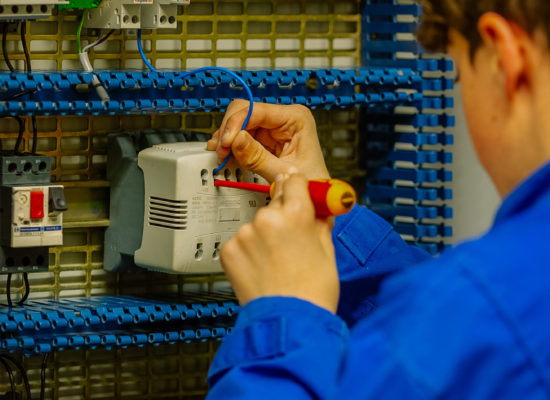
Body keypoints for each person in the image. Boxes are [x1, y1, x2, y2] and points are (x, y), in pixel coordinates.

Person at [205, 0, 550, 398]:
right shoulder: (490, 303)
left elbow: (470, 312)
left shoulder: (484, 308)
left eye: (457, 76)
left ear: (504, 59)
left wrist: (282, 319)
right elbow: (440, 325)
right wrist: (332, 228)